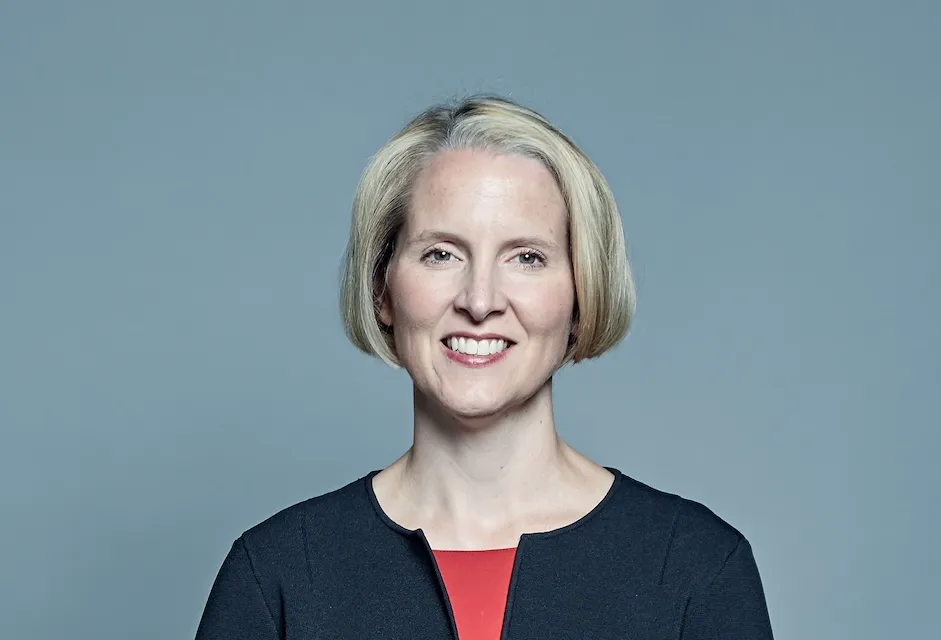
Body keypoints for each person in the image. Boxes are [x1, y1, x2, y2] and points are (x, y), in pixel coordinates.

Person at [195, 95, 775, 640]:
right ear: (382, 289)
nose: (479, 301)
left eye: (527, 257)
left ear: (581, 294)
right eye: (441, 254)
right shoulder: (277, 576)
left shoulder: (697, 567)